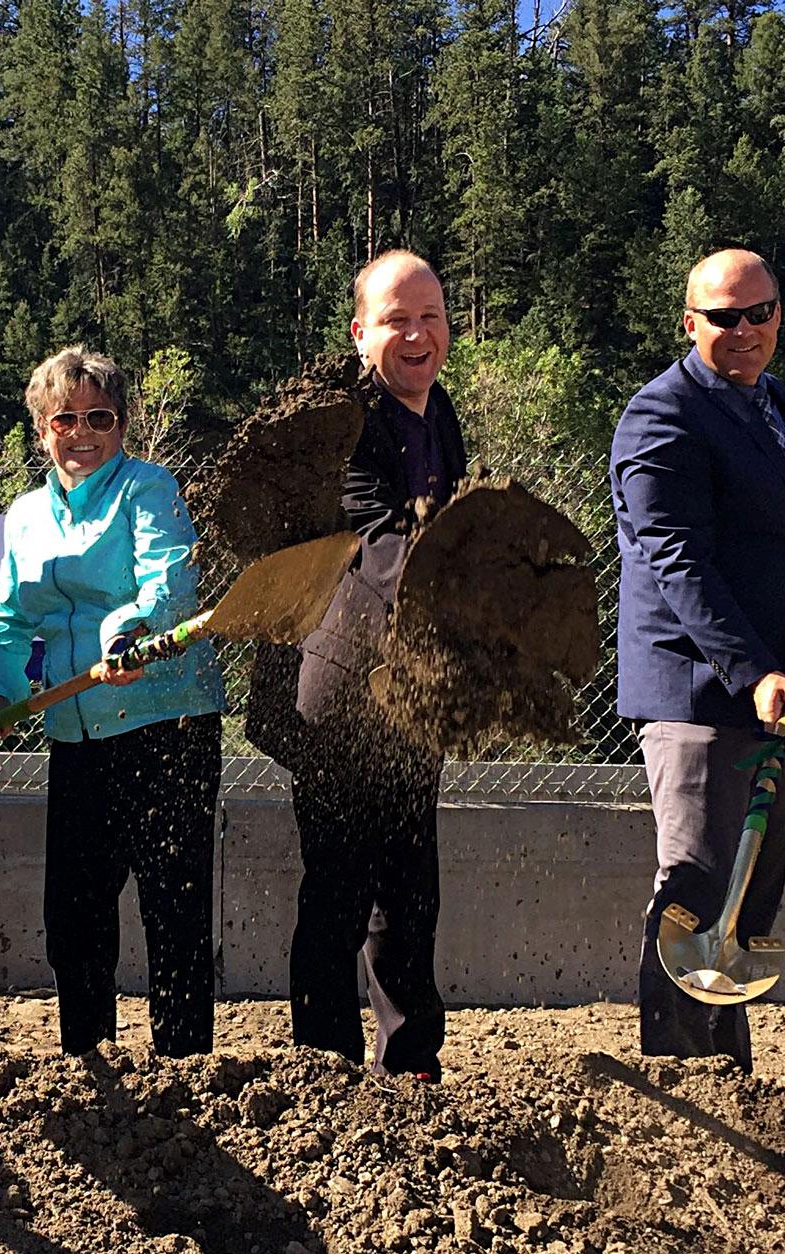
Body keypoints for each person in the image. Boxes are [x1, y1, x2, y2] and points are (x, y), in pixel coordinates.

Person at [611, 249, 785, 1071]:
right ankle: (682, 1075)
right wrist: (750, 670)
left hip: (772, 690)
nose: (746, 330)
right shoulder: (663, 418)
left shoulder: (767, 400)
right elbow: (675, 560)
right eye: (725, 317)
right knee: (694, 888)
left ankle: (729, 1067)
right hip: (704, 694)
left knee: (748, 898)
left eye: (761, 313)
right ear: (690, 323)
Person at [247, 250, 466, 1081]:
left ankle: (409, 1059)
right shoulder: (338, 426)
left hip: (411, 694)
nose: (418, 335)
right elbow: (378, 544)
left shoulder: (439, 411)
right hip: (338, 695)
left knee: (411, 892)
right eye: (397, 319)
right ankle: (323, 1064)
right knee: (338, 889)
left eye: (432, 317)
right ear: (360, 331)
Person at [0, 348, 224, 1056]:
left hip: (163, 725)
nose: (82, 432)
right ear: (40, 432)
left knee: (173, 908)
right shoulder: (24, 517)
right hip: (76, 738)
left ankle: (184, 1068)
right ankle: (90, 1064)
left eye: (100, 417)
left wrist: (128, 633)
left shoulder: (150, 489)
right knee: (74, 916)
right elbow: (10, 616)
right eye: (65, 419)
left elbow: (169, 581)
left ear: (122, 425)